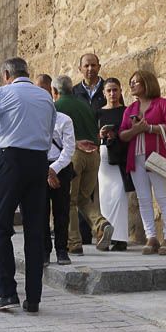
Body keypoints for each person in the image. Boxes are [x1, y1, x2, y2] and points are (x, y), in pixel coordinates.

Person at [0, 57, 55, 313]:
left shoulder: (4, 93)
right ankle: (34, 298)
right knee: (35, 230)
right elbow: (48, 131)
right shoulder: (45, 96)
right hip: (38, 161)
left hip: (11, 160)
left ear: (6, 74)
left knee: (0, 225)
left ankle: (7, 292)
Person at [118, 70, 166, 255]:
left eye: (136, 82)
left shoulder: (162, 104)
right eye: (131, 82)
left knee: (162, 197)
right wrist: (136, 129)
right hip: (136, 158)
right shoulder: (130, 109)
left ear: (147, 83)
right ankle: (151, 237)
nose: (133, 85)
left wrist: (150, 128)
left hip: (156, 157)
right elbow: (122, 134)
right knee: (143, 199)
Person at [54, 74, 111, 253]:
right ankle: (100, 224)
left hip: (75, 155)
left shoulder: (57, 106)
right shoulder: (84, 104)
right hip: (94, 154)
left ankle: (74, 242)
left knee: (69, 200)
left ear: (54, 91)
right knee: (83, 198)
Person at [41, 75, 77, 265]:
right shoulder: (35, 120)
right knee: (41, 212)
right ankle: (45, 250)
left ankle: (62, 250)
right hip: (41, 167)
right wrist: (47, 171)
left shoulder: (65, 120)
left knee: (61, 211)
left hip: (60, 167)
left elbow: (69, 148)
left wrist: (54, 169)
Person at [96, 78, 132, 251]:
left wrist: (116, 135)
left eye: (115, 90)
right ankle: (106, 235)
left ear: (120, 91)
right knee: (105, 198)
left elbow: (128, 133)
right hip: (103, 158)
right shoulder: (97, 112)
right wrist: (100, 134)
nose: (112, 94)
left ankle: (120, 238)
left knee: (119, 196)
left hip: (119, 157)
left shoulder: (126, 111)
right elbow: (92, 136)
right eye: (109, 90)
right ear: (103, 93)